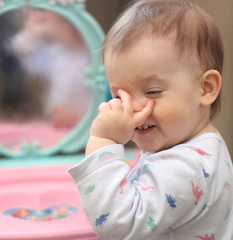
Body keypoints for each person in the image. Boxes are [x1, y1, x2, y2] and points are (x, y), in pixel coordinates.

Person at [68, 0, 233, 239]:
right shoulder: (200, 145)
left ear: (205, 89)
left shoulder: (186, 167)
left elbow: (118, 225)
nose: (133, 109)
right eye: (119, 95)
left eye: (153, 91)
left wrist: (103, 141)